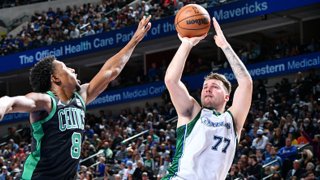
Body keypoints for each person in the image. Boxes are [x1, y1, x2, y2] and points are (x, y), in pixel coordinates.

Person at [0, 16, 151, 179]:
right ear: (55, 79)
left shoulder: (81, 97)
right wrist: (2, 105)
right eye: (66, 68)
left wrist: (133, 41)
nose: (73, 69)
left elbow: (110, 71)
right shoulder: (47, 101)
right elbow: (13, 101)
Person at [163, 17, 253, 179]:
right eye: (205, 87)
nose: (208, 89)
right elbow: (171, 80)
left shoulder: (233, 120)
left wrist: (225, 46)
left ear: (227, 96)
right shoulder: (192, 112)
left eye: (214, 87)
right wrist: (187, 44)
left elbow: (246, 83)